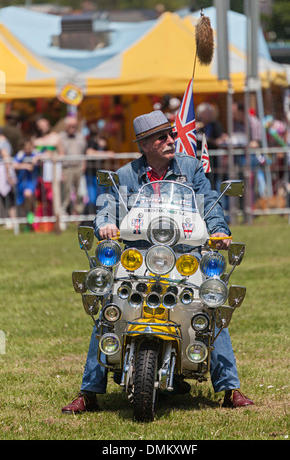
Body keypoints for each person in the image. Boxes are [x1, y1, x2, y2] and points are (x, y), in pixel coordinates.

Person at [62, 110, 254, 414]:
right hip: (138, 255)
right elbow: (107, 207)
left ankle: (230, 388)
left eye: (171, 135)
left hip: (185, 256)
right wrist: (104, 225)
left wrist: (218, 229)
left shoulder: (190, 169)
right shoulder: (126, 175)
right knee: (109, 311)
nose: (170, 140)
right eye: (161, 137)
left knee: (211, 308)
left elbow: (210, 203)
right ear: (144, 144)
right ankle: (90, 391)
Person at [84, 125, 115, 215]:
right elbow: (89, 152)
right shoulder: (91, 142)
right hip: (91, 173)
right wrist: (105, 153)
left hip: (100, 173)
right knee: (92, 198)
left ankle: (101, 214)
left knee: (101, 197)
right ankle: (91, 215)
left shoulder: (103, 142)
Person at [59, 116, 87, 215]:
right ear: (66, 126)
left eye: (74, 126)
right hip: (66, 168)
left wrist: (84, 164)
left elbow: (84, 152)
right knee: (65, 192)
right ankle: (63, 213)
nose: (73, 128)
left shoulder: (80, 136)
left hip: (78, 168)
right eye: (70, 126)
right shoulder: (60, 137)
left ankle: (79, 214)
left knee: (80, 192)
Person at [13, 137, 40, 220]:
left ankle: (31, 211)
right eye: (26, 147)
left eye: (29, 146)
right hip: (21, 180)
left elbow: (45, 154)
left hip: (31, 180)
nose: (28, 149)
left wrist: (37, 158)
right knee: (21, 202)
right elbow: (14, 164)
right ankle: (27, 220)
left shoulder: (35, 153)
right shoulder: (20, 154)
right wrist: (25, 166)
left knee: (28, 194)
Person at [0, 131, 17, 226]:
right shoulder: (5, 140)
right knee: (8, 197)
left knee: (8, 197)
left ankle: (12, 221)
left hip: (4, 170)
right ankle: (11, 221)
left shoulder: (2, 142)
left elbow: (6, 158)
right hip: (5, 170)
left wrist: (7, 174)